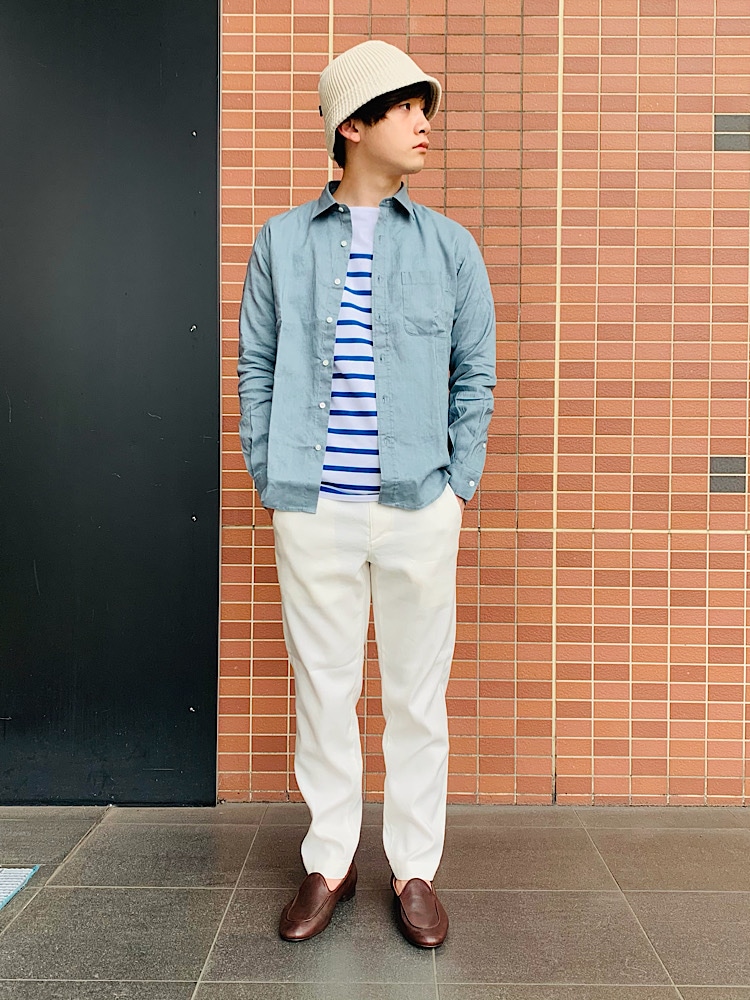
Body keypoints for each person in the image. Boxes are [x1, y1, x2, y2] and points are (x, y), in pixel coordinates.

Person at [237, 39, 496, 949]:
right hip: (313, 508)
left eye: (425, 109)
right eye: (406, 108)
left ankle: (415, 870)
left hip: (420, 506)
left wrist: (456, 490)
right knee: (324, 690)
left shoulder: (450, 247)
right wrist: (272, 477)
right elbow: (256, 367)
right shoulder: (280, 242)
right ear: (352, 125)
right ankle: (331, 861)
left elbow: (476, 376)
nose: (425, 124)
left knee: (418, 697)